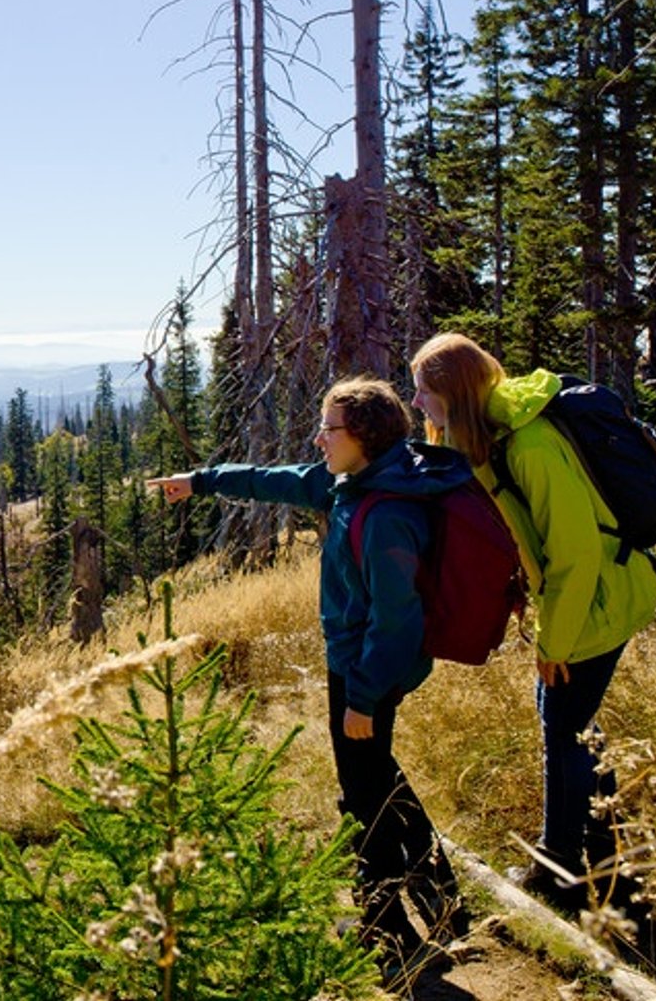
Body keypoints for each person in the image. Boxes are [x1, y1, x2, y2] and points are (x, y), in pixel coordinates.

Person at [150, 377, 471, 980]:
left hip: (365, 672)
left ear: (367, 437)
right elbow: (280, 480)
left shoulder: (386, 514)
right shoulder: (354, 482)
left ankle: (388, 935)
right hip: (359, 668)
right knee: (379, 775)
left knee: (362, 795)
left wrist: (363, 698)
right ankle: (443, 903)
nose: (319, 437)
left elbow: (396, 622)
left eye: (331, 428)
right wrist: (201, 481)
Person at [407, 332, 656, 915]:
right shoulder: (497, 437)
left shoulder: (530, 446)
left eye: (424, 391)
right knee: (573, 723)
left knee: (562, 726)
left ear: (455, 393)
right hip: (583, 601)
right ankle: (607, 855)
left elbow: (576, 553)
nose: (418, 403)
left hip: (600, 601)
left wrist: (556, 642)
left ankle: (559, 870)